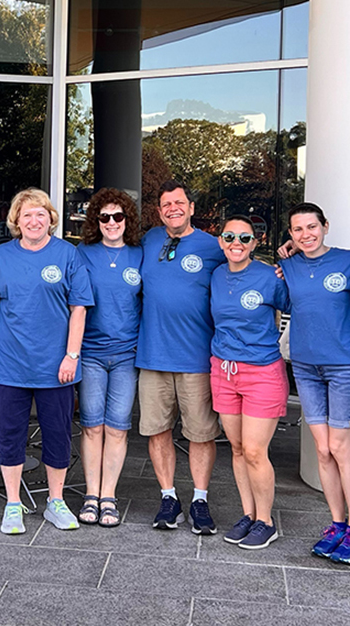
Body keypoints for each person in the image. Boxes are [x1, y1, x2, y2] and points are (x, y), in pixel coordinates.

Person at [0, 188, 93, 535]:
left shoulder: (68, 254)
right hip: (10, 363)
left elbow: (79, 308)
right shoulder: (2, 255)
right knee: (9, 434)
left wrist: (71, 355)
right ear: (16, 221)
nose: (34, 220)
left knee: (57, 434)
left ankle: (55, 502)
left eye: (41, 213)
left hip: (56, 365)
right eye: (26, 214)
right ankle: (13, 504)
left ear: (51, 218)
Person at [280, 202, 350, 564]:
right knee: (322, 450)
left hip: (345, 366)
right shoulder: (288, 265)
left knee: (341, 447)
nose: (306, 235)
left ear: (325, 226)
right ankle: (336, 523)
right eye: (298, 230)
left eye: (312, 227)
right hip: (305, 368)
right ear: (290, 234)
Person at [136, 180, 225, 535]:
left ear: (191, 207)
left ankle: (200, 500)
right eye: (165, 204)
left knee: (200, 433)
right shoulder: (148, 241)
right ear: (159, 212)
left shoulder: (212, 246)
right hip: (153, 356)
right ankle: (168, 496)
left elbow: (243, 268)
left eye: (178, 202)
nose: (172, 208)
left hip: (196, 359)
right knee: (157, 431)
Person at [210, 215, 290, 550]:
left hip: (262, 372)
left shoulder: (270, 276)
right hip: (223, 370)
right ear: (220, 241)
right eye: (229, 237)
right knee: (239, 448)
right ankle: (248, 513)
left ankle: (265, 521)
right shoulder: (216, 275)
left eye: (244, 238)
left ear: (256, 243)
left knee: (256, 450)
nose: (236, 244)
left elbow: (298, 307)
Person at [74, 188, 142, 527]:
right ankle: (90, 494)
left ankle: (109, 497)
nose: (112, 222)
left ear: (127, 220)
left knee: (117, 427)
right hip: (90, 353)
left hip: (127, 354)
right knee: (92, 426)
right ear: (95, 221)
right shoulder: (82, 254)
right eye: (105, 217)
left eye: (118, 216)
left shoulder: (139, 255)